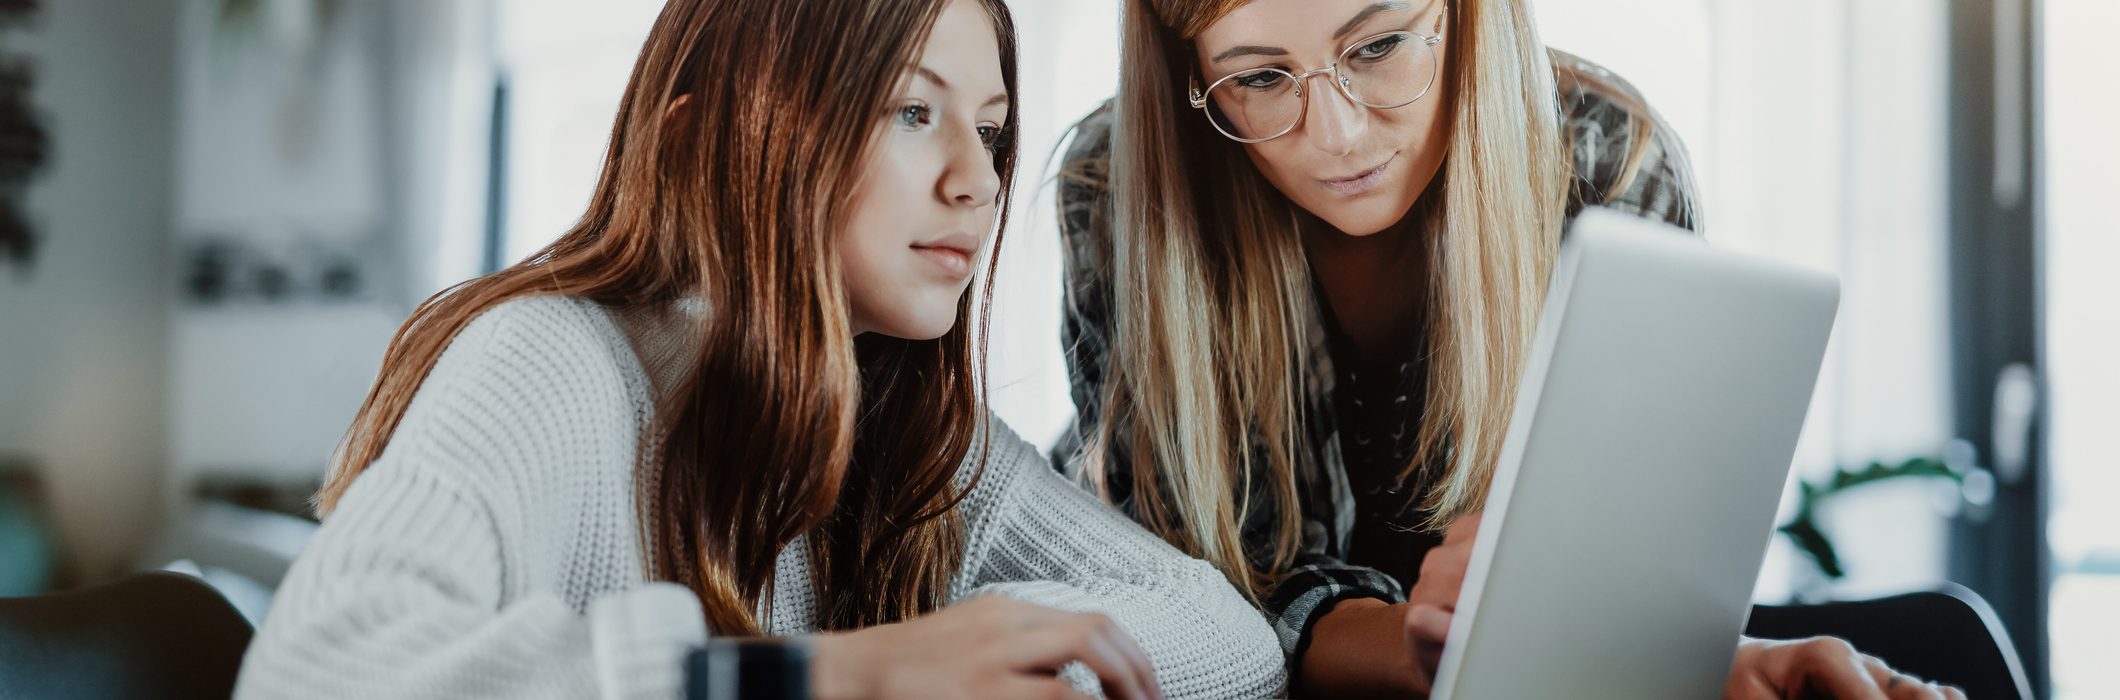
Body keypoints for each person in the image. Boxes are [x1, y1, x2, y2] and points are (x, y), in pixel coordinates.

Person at [232, 1, 1286, 697]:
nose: (979, 179)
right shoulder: (548, 360)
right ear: (709, 137)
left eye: (994, 128)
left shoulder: (905, 430)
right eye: (913, 111)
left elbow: (1231, 642)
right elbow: (311, 673)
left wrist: (1006, 645)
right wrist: (830, 677)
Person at [1054, 0, 1963, 697]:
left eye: (1376, 47)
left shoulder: (1606, 162)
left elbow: (1616, 588)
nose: (1333, 136)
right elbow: (1210, 599)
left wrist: (1706, 668)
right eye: (1257, 79)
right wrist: (1449, 653)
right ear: (1190, 74)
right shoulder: (1119, 187)